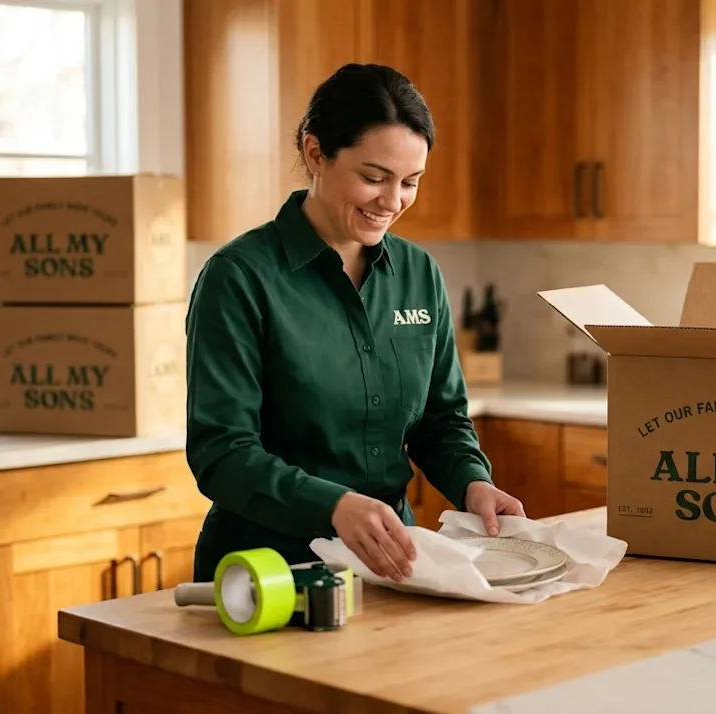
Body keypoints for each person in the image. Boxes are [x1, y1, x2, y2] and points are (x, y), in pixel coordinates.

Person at [184, 63, 525, 583]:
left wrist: (473, 483)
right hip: (267, 572)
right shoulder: (238, 279)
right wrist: (334, 506)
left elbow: (441, 420)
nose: (392, 202)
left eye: (410, 182)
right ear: (315, 152)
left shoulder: (419, 274)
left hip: (392, 566)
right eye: (373, 178)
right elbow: (221, 454)